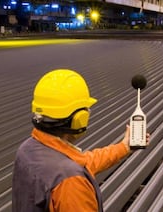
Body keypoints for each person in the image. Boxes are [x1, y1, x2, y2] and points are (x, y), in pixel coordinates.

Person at [12, 69, 150, 211]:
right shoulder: (71, 183)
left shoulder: (28, 149)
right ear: (80, 119)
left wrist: (124, 147)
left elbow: (82, 163)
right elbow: (70, 173)